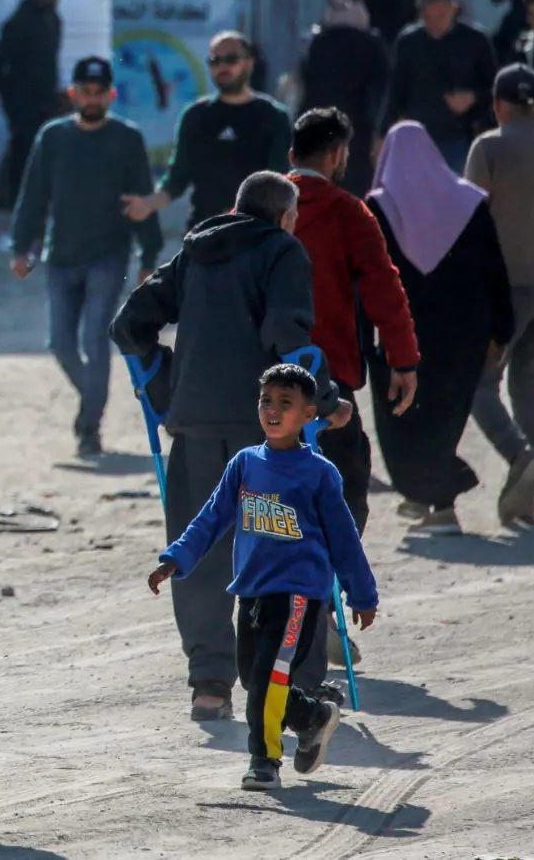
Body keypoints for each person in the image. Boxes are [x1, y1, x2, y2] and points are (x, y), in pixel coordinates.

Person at [111, 171, 351, 724]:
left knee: (200, 551)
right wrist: (329, 400)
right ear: (286, 216)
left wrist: (165, 384)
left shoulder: (194, 252)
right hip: (263, 431)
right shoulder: (282, 251)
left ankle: (210, 685)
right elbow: (288, 335)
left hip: (194, 426)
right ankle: (299, 689)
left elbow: (129, 324)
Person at [148, 363, 377, 791]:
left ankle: (264, 759)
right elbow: (211, 518)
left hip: (297, 595)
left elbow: (344, 539)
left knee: (271, 678)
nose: (272, 411)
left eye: (285, 404)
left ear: (309, 415)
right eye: (266, 401)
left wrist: (361, 593)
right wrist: (175, 558)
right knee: (255, 678)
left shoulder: (319, 473)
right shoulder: (246, 464)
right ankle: (312, 716)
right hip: (251, 589)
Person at [366, 122, 514, 535]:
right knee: (445, 417)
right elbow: (494, 269)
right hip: (465, 333)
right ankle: (426, 497)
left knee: (402, 420)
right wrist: (502, 330)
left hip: (405, 335)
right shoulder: (469, 202)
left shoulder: (380, 208)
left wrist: (363, 334)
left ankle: (441, 502)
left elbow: (368, 277)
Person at [11, 56, 162, 456]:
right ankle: (93, 396)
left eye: (100, 93)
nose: (92, 99)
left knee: (95, 340)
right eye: (85, 92)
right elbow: (33, 197)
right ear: (73, 94)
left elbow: (142, 197)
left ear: (111, 95)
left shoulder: (126, 138)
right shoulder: (53, 137)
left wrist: (149, 252)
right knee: (60, 344)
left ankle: (88, 427)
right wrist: (20, 246)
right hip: (60, 255)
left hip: (108, 256)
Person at [289, 106, 420, 539]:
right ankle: (322, 594)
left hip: (259, 377)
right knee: (344, 492)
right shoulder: (348, 212)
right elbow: (384, 289)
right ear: (336, 154)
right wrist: (403, 361)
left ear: (293, 154)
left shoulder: (255, 205)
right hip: (327, 381)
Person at [465, 64, 534, 524]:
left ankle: (518, 456)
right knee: (533, 389)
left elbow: (469, 218)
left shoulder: (489, 146)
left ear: (498, 105)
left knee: (477, 384)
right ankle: (523, 496)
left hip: (506, 287)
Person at [121, 31, 292, 231]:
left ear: (249, 63)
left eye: (231, 59)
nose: (222, 67)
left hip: (255, 236)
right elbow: (176, 179)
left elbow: (280, 182)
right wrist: (149, 203)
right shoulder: (195, 116)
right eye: (215, 60)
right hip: (203, 235)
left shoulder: (274, 117)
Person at [378, 0, 498, 172]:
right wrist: (382, 134)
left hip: (462, 137)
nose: (434, 23)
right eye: (427, 17)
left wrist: (473, 97)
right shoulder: (409, 42)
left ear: (454, 9)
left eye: (441, 16)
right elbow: (396, 90)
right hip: (419, 138)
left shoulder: (474, 40)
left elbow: (494, 87)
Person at [299, 0, 391, 197]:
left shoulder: (317, 42)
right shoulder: (371, 42)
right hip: (358, 130)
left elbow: (307, 84)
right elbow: (381, 88)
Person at [0, 0, 65, 210]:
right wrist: (11, 98)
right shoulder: (21, 21)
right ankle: (12, 201)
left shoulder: (53, 19)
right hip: (24, 101)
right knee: (22, 151)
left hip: (45, 99)